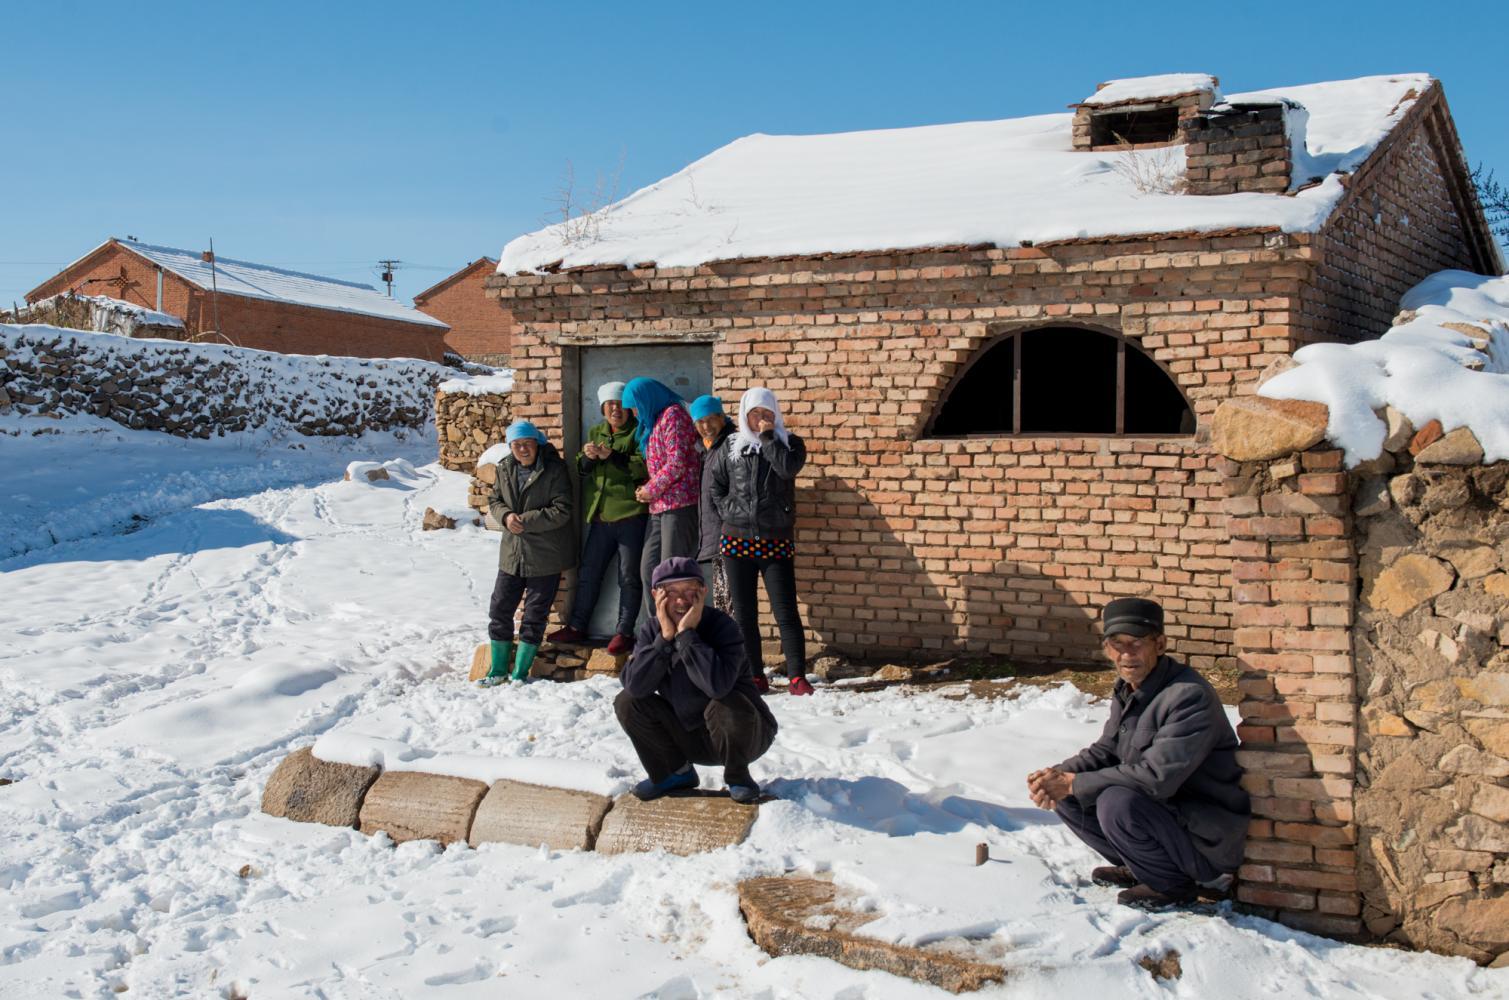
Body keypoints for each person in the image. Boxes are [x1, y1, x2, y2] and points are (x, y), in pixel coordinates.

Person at [1025, 598, 1250, 910]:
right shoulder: (1130, 686)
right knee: (1071, 794)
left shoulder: (1188, 696)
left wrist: (1073, 782)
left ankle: (1171, 885)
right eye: (1116, 644)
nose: (1126, 654)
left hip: (1205, 838)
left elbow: (1157, 778)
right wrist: (1054, 777)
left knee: (1115, 802)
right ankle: (1143, 866)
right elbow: (1107, 750)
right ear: (1106, 648)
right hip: (1166, 819)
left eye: (1136, 643)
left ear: (1159, 644)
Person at [615, 557, 777, 805]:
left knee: (725, 701)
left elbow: (717, 686)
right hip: (689, 733)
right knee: (627, 702)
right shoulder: (651, 630)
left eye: (689, 591)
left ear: (703, 591)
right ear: (656, 595)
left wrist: (687, 636)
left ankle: (738, 776)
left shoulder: (723, 627)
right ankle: (674, 772)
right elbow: (636, 687)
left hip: (747, 733)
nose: (681, 601)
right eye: (671, 592)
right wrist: (665, 638)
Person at [709, 386, 810, 696]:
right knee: (745, 613)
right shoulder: (731, 447)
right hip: (736, 541)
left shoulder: (789, 444)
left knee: (785, 611)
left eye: (768, 413)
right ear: (745, 415)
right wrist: (730, 510)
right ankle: (754, 675)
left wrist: (768, 438)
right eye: (756, 414)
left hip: (775, 540)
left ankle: (797, 677)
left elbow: (787, 468)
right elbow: (716, 487)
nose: (762, 419)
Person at [548, 382, 648, 654]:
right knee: (589, 573)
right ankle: (577, 626)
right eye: (610, 405)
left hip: (630, 515)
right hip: (600, 516)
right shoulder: (597, 432)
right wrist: (589, 457)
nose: (615, 410)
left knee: (628, 576)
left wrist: (612, 456)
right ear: (603, 408)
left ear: (628, 408)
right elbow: (581, 468)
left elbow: (643, 467)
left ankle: (624, 632)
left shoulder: (639, 432)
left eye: (620, 405)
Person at [478, 420, 576, 687]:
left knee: (534, 615)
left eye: (527, 444)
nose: (523, 449)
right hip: (512, 554)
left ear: (537, 444)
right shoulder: (505, 468)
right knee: (499, 608)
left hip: (545, 555)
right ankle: (498, 669)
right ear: (510, 446)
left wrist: (526, 520)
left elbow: (562, 508)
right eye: (517, 445)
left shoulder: (553, 470)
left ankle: (520, 673)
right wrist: (506, 516)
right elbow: (495, 500)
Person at [621, 377, 701, 621]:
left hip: (678, 506)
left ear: (647, 399)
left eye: (635, 406)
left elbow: (677, 462)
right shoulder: (654, 421)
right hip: (659, 507)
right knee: (649, 571)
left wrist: (651, 489)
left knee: (673, 576)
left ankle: (681, 636)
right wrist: (648, 489)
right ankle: (658, 629)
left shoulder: (673, 416)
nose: (633, 413)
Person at [689, 393, 736, 616]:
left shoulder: (730, 445)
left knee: (728, 600)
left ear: (722, 418)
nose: (706, 426)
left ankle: (733, 647)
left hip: (728, 534)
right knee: (722, 599)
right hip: (714, 535)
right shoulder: (707, 449)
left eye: (710, 419)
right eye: (700, 421)